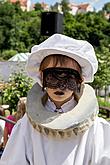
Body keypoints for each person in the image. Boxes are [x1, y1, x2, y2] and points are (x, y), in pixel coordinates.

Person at [1, 34, 110, 164]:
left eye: (69, 78)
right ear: (42, 77)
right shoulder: (26, 127)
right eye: (52, 77)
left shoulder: (97, 129)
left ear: (80, 80)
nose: (61, 86)